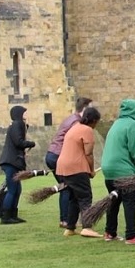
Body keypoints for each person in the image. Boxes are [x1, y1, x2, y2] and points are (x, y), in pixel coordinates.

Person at [101, 99, 135, 244]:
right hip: (124, 170)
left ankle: (110, 232)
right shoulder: (133, 125)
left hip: (108, 170)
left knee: (114, 201)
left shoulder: (116, 124)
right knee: (130, 200)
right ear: (134, 110)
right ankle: (131, 235)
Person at [44, 97, 93, 228]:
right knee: (67, 188)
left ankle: (68, 220)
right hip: (59, 156)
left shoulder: (71, 119)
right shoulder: (76, 123)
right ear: (85, 109)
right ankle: (66, 220)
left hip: (54, 155)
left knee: (68, 187)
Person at [56, 107, 102, 238]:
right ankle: (87, 227)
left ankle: (70, 227)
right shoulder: (87, 130)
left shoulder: (74, 127)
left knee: (73, 198)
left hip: (62, 167)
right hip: (76, 167)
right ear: (93, 121)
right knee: (85, 197)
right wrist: (91, 170)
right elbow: (88, 153)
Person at [0, 106, 36, 224]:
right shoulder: (16, 124)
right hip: (11, 162)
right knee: (12, 189)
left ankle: (13, 214)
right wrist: (31, 143)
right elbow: (18, 142)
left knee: (17, 189)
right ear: (19, 114)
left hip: (13, 162)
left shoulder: (18, 125)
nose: (26, 116)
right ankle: (6, 216)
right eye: (24, 113)